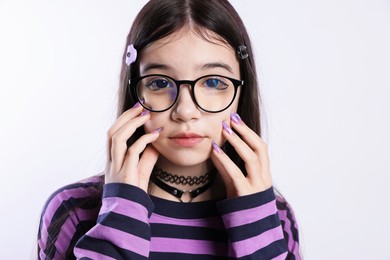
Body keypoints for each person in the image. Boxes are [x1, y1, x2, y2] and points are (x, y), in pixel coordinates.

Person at [37, 0, 300, 259]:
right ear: (134, 89)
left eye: (213, 81)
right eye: (159, 82)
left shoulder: (275, 216)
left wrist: (255, 224)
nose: (185, 111)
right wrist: (121, 214)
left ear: (242, 92)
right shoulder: (74, 209)